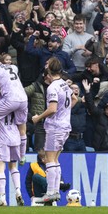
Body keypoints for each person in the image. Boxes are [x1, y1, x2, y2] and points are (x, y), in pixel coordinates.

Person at [32, 57, 77, 204]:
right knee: (55, 159)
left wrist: (38, 118)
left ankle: (51, 192)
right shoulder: (64, 84)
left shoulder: (53, 87)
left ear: (50, 68)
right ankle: (55, 191)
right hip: (65, 126)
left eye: (47, 63)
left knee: (50, 159)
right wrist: (64, 112)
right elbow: (75, 98)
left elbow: (52, 109)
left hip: (55, 127)